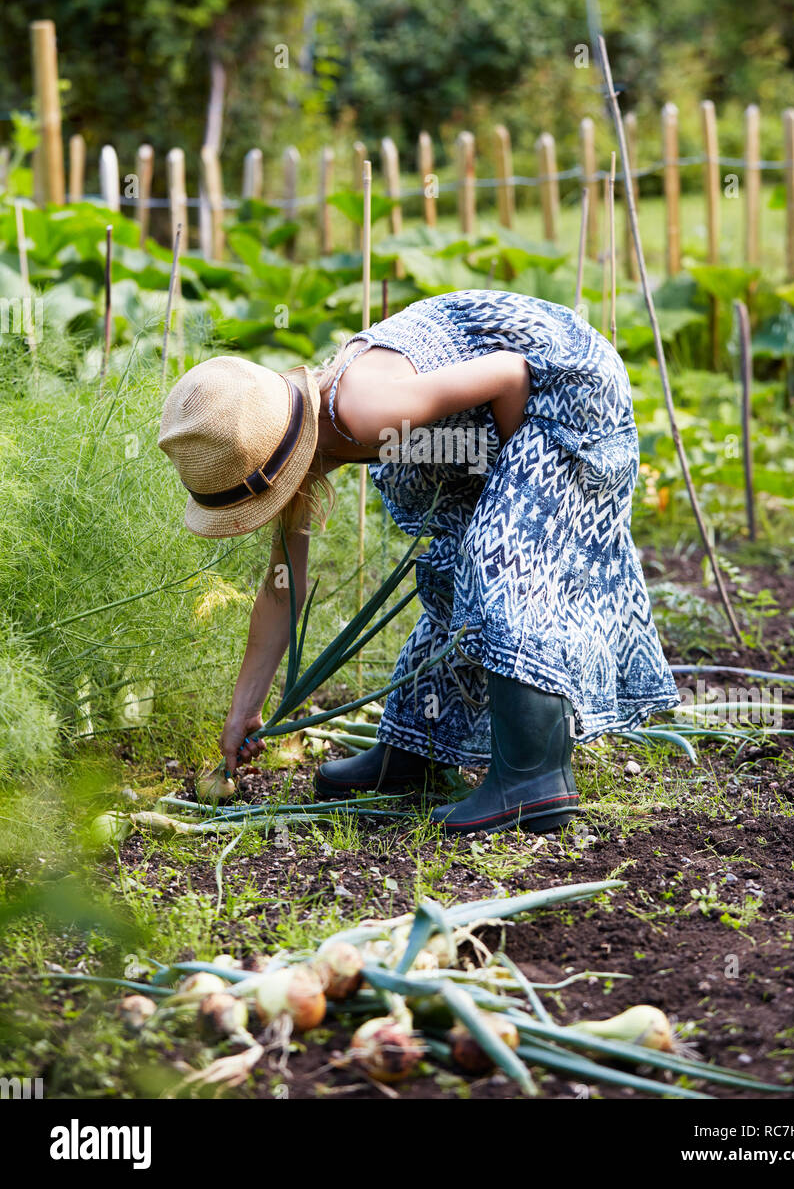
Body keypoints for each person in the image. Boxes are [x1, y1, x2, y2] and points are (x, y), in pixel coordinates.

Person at [158, 290, 679, 835]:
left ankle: (535, 779)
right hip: (498, 410)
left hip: (568, 390)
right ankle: (420, 750)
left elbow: (511, 372)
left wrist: (512, 499)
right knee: (454, 571)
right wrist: (245, 708)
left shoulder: (365, 411)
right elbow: (284, 586)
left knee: (500, 558)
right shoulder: (294, 436)